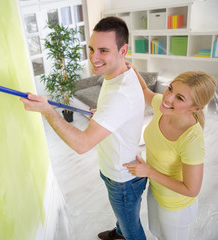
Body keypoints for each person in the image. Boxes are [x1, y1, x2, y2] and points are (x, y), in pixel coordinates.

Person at [20, 17, 147, 240]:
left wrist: (48, 111)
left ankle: (124, 233)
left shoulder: (120, 95)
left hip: (123, 179)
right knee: (124, 217)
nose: (93, 58)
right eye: (91, 49)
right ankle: (119, 232)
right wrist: (106, 117)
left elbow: (82, 145)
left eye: (103, 50)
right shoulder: (123, 70)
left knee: (132, 230)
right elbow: (121, 111)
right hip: (115, 167)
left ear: (123, 50)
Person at [123, 64, 217, 240]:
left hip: (176, 206)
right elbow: (144, 89)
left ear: (195, 108)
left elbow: (192, 189)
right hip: (156, 192)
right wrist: (131, 69)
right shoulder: (161, 107)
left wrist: (149, 172)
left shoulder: (192, 140)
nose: (168, 98)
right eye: (170, 88)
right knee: (158, 234)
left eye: (180, 98)